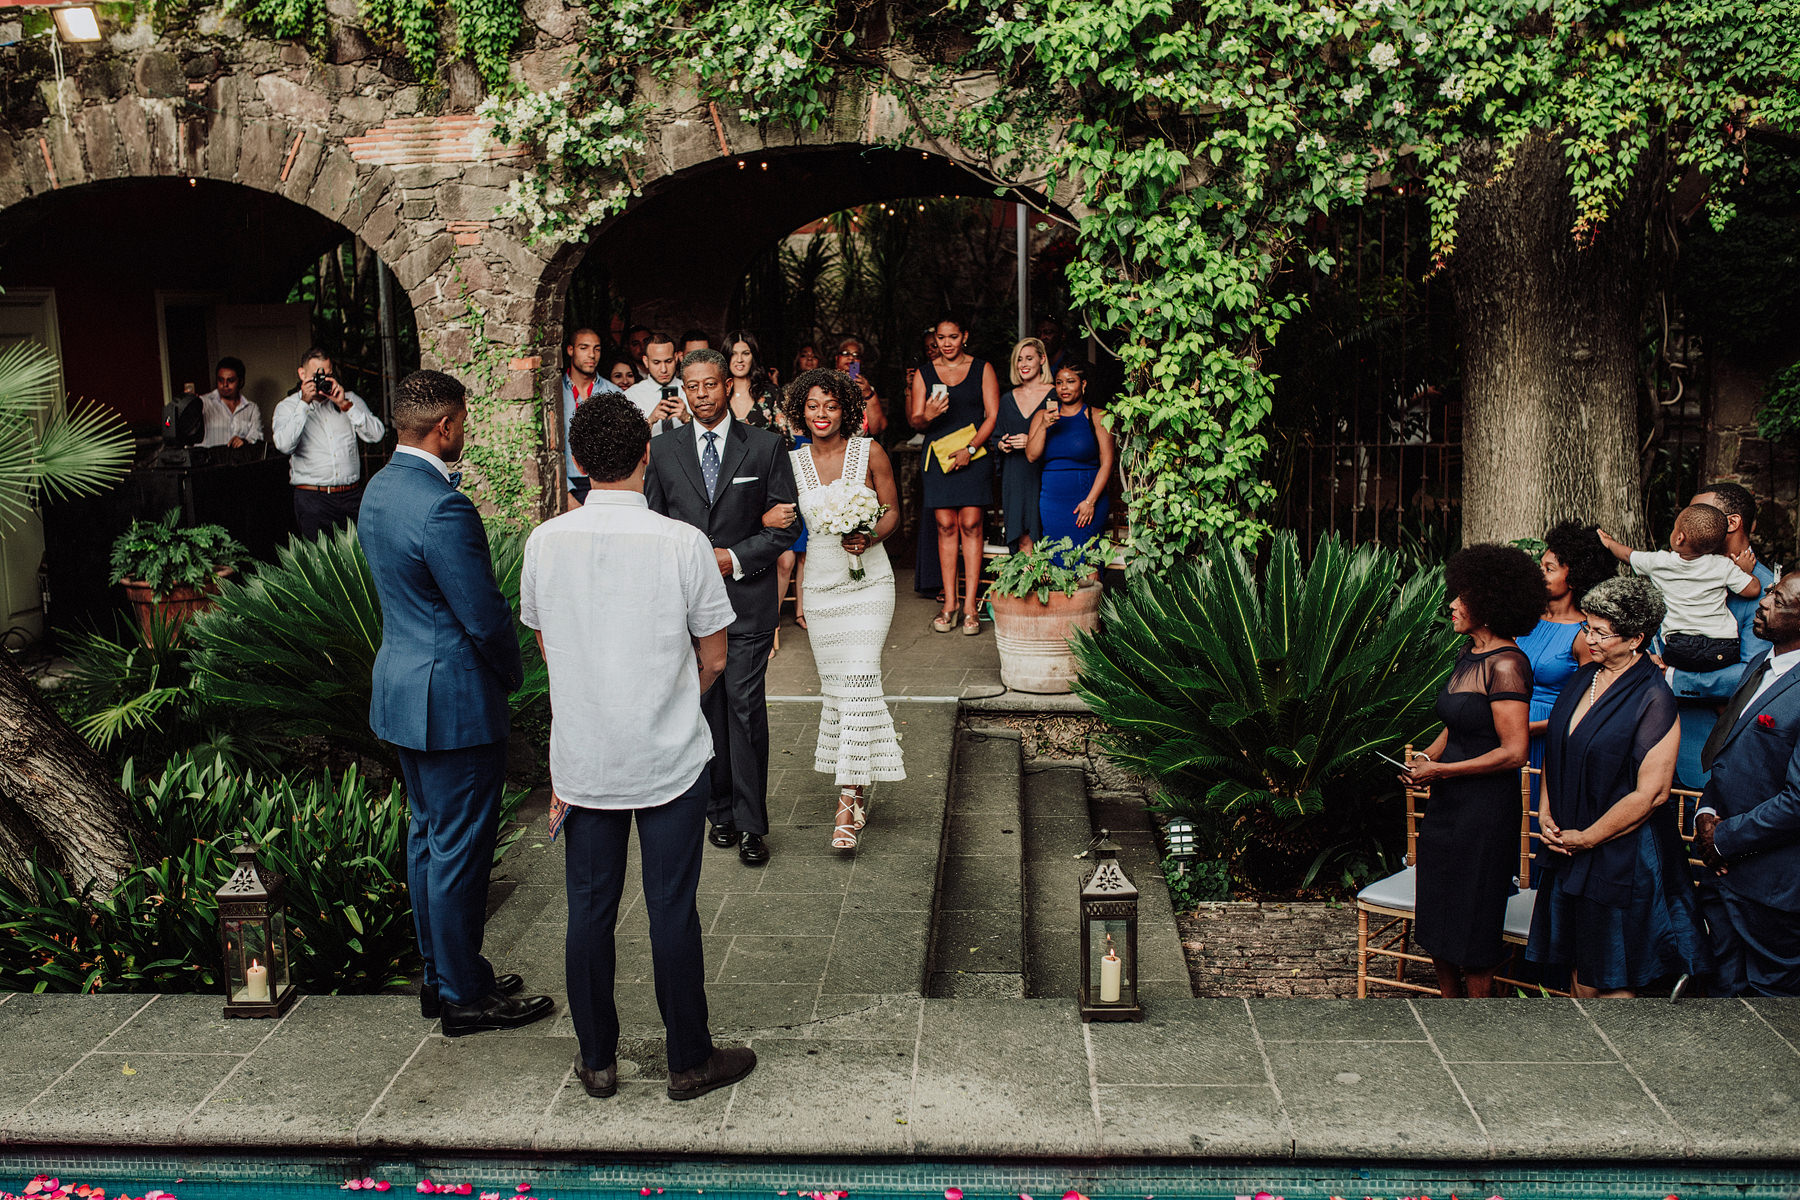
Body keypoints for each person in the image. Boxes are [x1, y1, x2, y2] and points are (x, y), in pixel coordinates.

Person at [521, 392, 758, 1102]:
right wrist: (666, 696)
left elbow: (545, 643)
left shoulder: (544, 541)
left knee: (588, 909)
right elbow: (714, 658)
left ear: (580, 464)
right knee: (671, 907)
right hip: (666, 753)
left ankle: (597, 1060)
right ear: (647, 457)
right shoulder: (682, 543)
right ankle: (689, 1059)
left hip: (586, 756)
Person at [358, 369, 550, 1036]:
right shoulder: (443, 506)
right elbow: (484, 615)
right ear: (445, 426)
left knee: (426, 840)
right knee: (459, 851)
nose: (464, 431)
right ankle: (466, 996)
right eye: (463, 420)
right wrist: (511, 677)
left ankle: (442, 978)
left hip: (403, 692)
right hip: (454, 702)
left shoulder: (380, 489)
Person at [646, 349, 800, 867]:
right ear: (682, 393)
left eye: (710, 384)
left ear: (725, 387)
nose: (702, 394)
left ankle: (753, 823)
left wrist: (732, 557)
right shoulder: (663, 452)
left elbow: (786, 526)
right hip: (687, 609)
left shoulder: (764, 446)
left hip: (747, 602)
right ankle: (720, 812)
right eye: (692, 387)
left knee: (745, 709)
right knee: (706, 709)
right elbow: (653, 527)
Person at [1526, 576, 1713, 997]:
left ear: (1636, 638)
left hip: (1622, 855)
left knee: (1612, 975)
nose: (1587, 638)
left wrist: (1586, 838)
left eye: (1600, 632)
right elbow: (1559, 750)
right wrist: (1547, 814)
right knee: (1576, 963)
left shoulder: (1653, 696)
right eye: (1587, 627)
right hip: (1568, 844)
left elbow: (1653, 794)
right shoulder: (1583, 677)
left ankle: (1612, 1059)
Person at [1403, 544, 1545, 998]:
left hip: (1485, 810)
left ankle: (1477, 1018)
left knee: (1475, 912)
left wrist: (1442, 772)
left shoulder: (1507, 664)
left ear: (1488, 604)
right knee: (1438, 905)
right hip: (1449, 804)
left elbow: (1514, 751)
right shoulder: (1468, 653)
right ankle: (1448, 1004)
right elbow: (1456, 723)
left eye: (1461, 598)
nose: (1451, 605)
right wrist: (1426, 756)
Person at [785, 368, 905, 850]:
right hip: (822, 588)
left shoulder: (869, 451)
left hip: (870, 584)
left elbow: (894, 511)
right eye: (813, 405)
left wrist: (869, 533)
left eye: (831, 406)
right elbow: (777, 517)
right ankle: (856, 787)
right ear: (802, 410)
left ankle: (847, 802)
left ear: (846, 410)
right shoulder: (792, 463)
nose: (821, 414)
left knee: (861, 679)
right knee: (838, 690)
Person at [1692, 568, 1800, 996]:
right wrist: (1704, 814)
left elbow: (1797, 802)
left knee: (1772, 1009)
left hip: (1773, 887)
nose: (1764, 602)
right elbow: (1729, 751)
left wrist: (1725, 840)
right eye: (1770, 591)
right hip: (1725, 876)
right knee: (1724, 995)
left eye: (1780, 601)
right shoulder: (1759, 663)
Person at [1668, 482, 1775, 788]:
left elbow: (1750, 674)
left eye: (1698, 514)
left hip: (1707, 752)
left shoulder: (1765, 591)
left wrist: (1674, 678)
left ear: (1731, 522)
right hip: (1654, 746)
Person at [909, 316, 999, 636]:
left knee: (971, 525)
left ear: (964, 337)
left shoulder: (983, 369)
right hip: (939, 458)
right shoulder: (925, 372)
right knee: (946, 526)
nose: (946, 343)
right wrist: (926, 416)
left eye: (953, 337)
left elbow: (992, 416)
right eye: (941, 337)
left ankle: (971, 606)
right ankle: (950, 603)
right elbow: (915, 421)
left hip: (973, 455)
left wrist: (971, 450)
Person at [1598, 505, 1760, 672]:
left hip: (1678, 649)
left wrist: (1609, 543)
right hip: (1721, 648)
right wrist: (1743, 571)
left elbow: (1627, 555)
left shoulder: (1659, 562)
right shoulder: (1723, 565)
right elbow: (1753, 590)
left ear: (1679, 538)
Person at [727, 331, 804, 638]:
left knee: (783, 558)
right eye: (733, 354)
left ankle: (769, 626)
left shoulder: (770, 394)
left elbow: (786, 440)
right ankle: (741, 626)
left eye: (745, 353)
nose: (739, 360)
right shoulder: (719, 394)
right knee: (740, 555)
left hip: (769, 484)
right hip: (730, 490)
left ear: (753, 357)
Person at [1517, 522, 1611, 774]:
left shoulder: (1584, 635)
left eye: (1549, 569)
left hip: (1548, 738)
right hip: (1507, 732)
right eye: (1540, 567)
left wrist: (1535, 728)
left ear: (1574, 578)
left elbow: (1590, 702)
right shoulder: (1523, 621)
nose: (1540, 574)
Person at [272, 347, 386, 540]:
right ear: (302, 374)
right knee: (320, 564)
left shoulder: (349, 400)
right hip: (313, 500)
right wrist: (304, 404)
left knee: (359, 560)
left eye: (328, 375)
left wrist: (346, 406)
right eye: (318, 376)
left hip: (352, 497)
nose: (322, 381)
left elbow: (377, 435)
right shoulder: (288, 407)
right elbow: (284, 445)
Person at [1026, 360, 1115, 563]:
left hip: (1086, 500)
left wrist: (1090, 502)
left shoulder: (1098, 417)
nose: (1064, 387)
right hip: (1052, 502)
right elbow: (1031, 455)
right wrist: (1043, 426)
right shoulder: (1042, 416)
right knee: (1055, 560)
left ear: (1083, 384)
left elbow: (1107, 462)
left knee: (1088, 562)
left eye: (1070, 381)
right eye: (1059, 382)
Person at [992, 338, 1050, 553]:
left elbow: (1063, 437)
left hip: (1042, 472)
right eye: (1019, 360)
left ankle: (1046, 583)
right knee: (1021, 535)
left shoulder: (1055, 394)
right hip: (1015, 473)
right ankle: (1025, 583)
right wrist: (1002, 445)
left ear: (1042, 360)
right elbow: (996, 437)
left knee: (1042, 532)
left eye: (1029, 358)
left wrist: (1032, 440)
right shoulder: (1007, 399)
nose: (1023, 364)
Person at [561, 327, 627, 505]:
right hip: (569, 483)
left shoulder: (614, 393)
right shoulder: (555, 392)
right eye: (584, 348)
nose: (591, 355)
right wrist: (565, 493)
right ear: (570, 350)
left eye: (596, 349)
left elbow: (623, 444)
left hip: (607, 485)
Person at [624, 332, 689, 435]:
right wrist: (650, 421)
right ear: (646, 361)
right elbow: (625, 440)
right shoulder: (631, 396)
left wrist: (687, 418)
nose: (663, 369)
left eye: (668, 361)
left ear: (676, 358)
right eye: (656, 362)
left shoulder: (690, 391)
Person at [198, 357, 263, 449]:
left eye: (230, 380)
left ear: (241, 382)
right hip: (209, 462)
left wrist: (245, 441)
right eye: (221, 380)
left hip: (239, 462)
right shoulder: (202, 403)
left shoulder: (251, 408)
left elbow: (258, 437)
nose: (225, 385)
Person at [833, 336, 888, 438]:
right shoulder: (825, 383)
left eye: (856, 355)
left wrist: (868, 394)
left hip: (856, 445)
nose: (851, 358)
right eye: (846, 353)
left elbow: (877, 429)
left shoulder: (865, 388)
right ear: (837, 358)